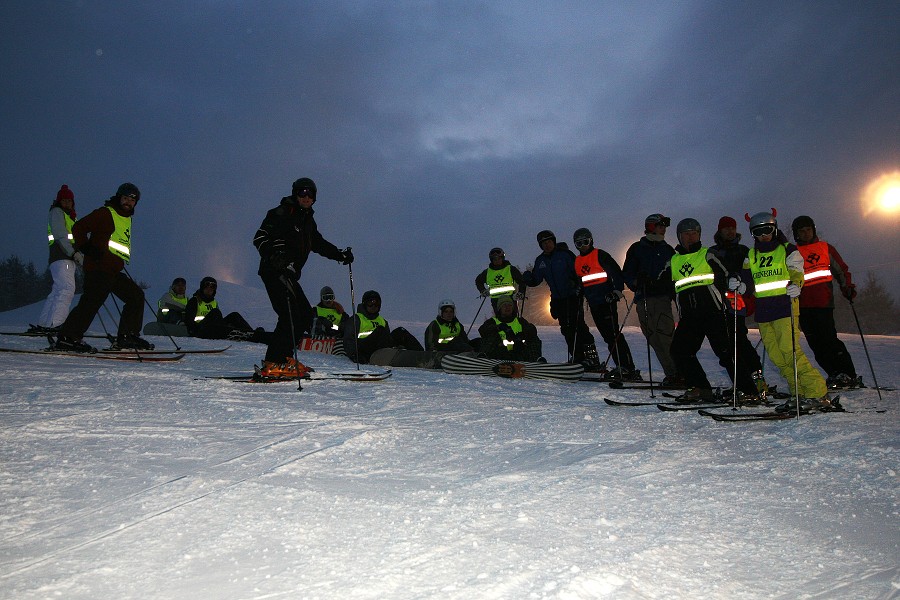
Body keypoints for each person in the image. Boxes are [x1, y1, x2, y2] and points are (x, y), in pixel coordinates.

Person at [253, 177, 353, 373]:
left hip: (289, 274)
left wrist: (340, 255)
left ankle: (284, 358)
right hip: (274, 271)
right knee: (289, 316)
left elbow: (319, 244)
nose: (306, 197)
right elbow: (260, 237)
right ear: (295, 194)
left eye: (310, 193)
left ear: (314, 197)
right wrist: (275, 256)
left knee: (306, 316)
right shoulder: (282, 213)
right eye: (302, 193)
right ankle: (274, 362)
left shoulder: (307, 221)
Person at [740, 210, 832, 412]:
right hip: (764, 312)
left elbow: (797, 272)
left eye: (767, 230)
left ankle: (817, 391)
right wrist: (740, 285)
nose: (764, 235)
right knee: (776, 356)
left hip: (785, 307)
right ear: (753, 234)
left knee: (790, 351)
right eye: (758, 232)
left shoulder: (787, 250)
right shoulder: (751, 255)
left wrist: (797, 284)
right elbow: (747, 281)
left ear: (774, 229)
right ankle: (798, 391)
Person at [666, 218, 758, 401]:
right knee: (680, 350)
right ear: (679, 237)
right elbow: (663, 283)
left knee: (726, 352)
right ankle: (700, 388)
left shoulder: (708, 254)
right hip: (689, 316)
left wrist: (732, 282)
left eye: (694, 233)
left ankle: (748, 391)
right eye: (686, 234)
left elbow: (726, 274)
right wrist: (645, 282)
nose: (690, 237)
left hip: (713, 313)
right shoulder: (673, 261)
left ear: (699, 235)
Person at [54, 183, 152, 352]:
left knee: (136, 296)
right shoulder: (105, 213)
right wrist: (86, 248)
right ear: (119, 198)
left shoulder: (126, 218)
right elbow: (78, 228)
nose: (128, 202)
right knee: (92, 300)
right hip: (98, 268)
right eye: (125, 198)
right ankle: (67, 337)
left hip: (113, 270)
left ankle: (127, 336)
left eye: (132, 200)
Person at [791, 215, 861, 389]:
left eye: (808, 230)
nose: (806, 233)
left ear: (813, 230)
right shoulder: (793, 252)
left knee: (829, 339)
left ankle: (847, 374)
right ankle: (834, 374)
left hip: (823, 302)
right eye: (801, 231)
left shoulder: (825, 248)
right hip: (802, 305)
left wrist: (847, 287)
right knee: (815, 344)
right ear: (796, 234)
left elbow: (841, 270)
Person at [709, 216, 769, 396]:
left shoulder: (744, 251)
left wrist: (745, 287)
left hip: (738, 299)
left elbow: (752, 274)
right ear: (720, 231)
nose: (730, 231)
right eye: (726, 228)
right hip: (719, 301)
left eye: (732, 228)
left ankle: (755, 376)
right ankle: (743, 379)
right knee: (728, 342)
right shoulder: (713, 252)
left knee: (739, 338)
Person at [522, 230, 599, 367]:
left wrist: (578, 286)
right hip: (558, 299)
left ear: (554, 242)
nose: (547, 245)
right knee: (566, 329)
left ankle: (592, 358)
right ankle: (577, 357)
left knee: (578, 326)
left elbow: (579, 271)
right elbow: (536, 280)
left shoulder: (564, 255)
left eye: (549, 242)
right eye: (544, 243)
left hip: (573, 296)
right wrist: (528, 277)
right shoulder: (541, 260)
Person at [572, 227, 640, 380]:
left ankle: (627, 367)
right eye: (579, 244)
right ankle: (621, 366)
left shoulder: (600, 255)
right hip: (593, 303)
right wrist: (579, 290)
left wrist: (617, 291)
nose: (583, 246)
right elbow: (581, 280)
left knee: (613, 335)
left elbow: (615, 272)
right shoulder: (577, 261)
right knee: (607, 336)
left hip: (606, 300)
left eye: (585, 242)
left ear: (591, 241)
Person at [622, 214, 681, 385]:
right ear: (651, 227)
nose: (664, 229)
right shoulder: (637, 248)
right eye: (660, 225)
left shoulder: (668, 250)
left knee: (666, 336)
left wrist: (671, 289)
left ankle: (679, 372)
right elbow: (627, 272)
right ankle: (672, 373)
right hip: (644, 298)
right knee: (653, 337)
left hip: (661, 298)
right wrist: (636, 281)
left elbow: (674, 275)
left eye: (664, 226)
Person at [33, 185, 79, 332]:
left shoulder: (70, 217)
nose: (67, 203)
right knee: (67, 288)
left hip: (62, 258)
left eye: (69, 200)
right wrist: (73, 253)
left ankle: (45, 323)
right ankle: (56, 323)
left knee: (58, 290)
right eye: (64, 200)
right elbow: (61, 235)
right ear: (59, 201)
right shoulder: (58, 212)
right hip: (63, 256)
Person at [342, 290, 423, 364]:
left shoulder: (382, 321)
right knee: (380, 330)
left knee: (400, 331)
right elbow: (348, 339)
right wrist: (355, 355)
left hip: (382, 349)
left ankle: (422, 355)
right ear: (364, 304)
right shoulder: (357, 319)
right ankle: (392, 354)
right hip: (364, 351)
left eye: (376, 303)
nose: (373, 306)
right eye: (370, 302)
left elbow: (387, 339)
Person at [184, 276, 258, 341]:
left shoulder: (214, 302)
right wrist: (194, 332)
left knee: (234, 315)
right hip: (200, 330)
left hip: (214, 328)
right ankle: (225, 332)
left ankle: (252, 333)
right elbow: (189, 321)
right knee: (215, 312)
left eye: (212, 287)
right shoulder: (194, 301)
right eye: (207, 286)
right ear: (202, 287)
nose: (209, 289)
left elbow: (219, 319)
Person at [478, 295, 543, 361]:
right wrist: (497, 328)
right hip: (497, 355)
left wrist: (522, 335)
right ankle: (484, 359)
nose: (507, 307)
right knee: (487, 337)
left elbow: (532, 331)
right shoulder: (492, 321)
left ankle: (535, 360)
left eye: (510, 305)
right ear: (499, 308)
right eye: (504, 305)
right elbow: (482, 331)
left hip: (518, 353)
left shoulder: (520, 321)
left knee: (534, 339)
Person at [475, 247, 523, 313]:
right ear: (491, 260)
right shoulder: (487, 272)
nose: (497, 261)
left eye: (499, 258)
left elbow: (522, 281)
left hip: (510, 298)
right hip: (496, 300)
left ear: (502, 258)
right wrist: (482, 290)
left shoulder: (510, 269)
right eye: (494, 259)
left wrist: (521, 292)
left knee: (513, 317)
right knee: (499, 318)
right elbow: (478, 281)